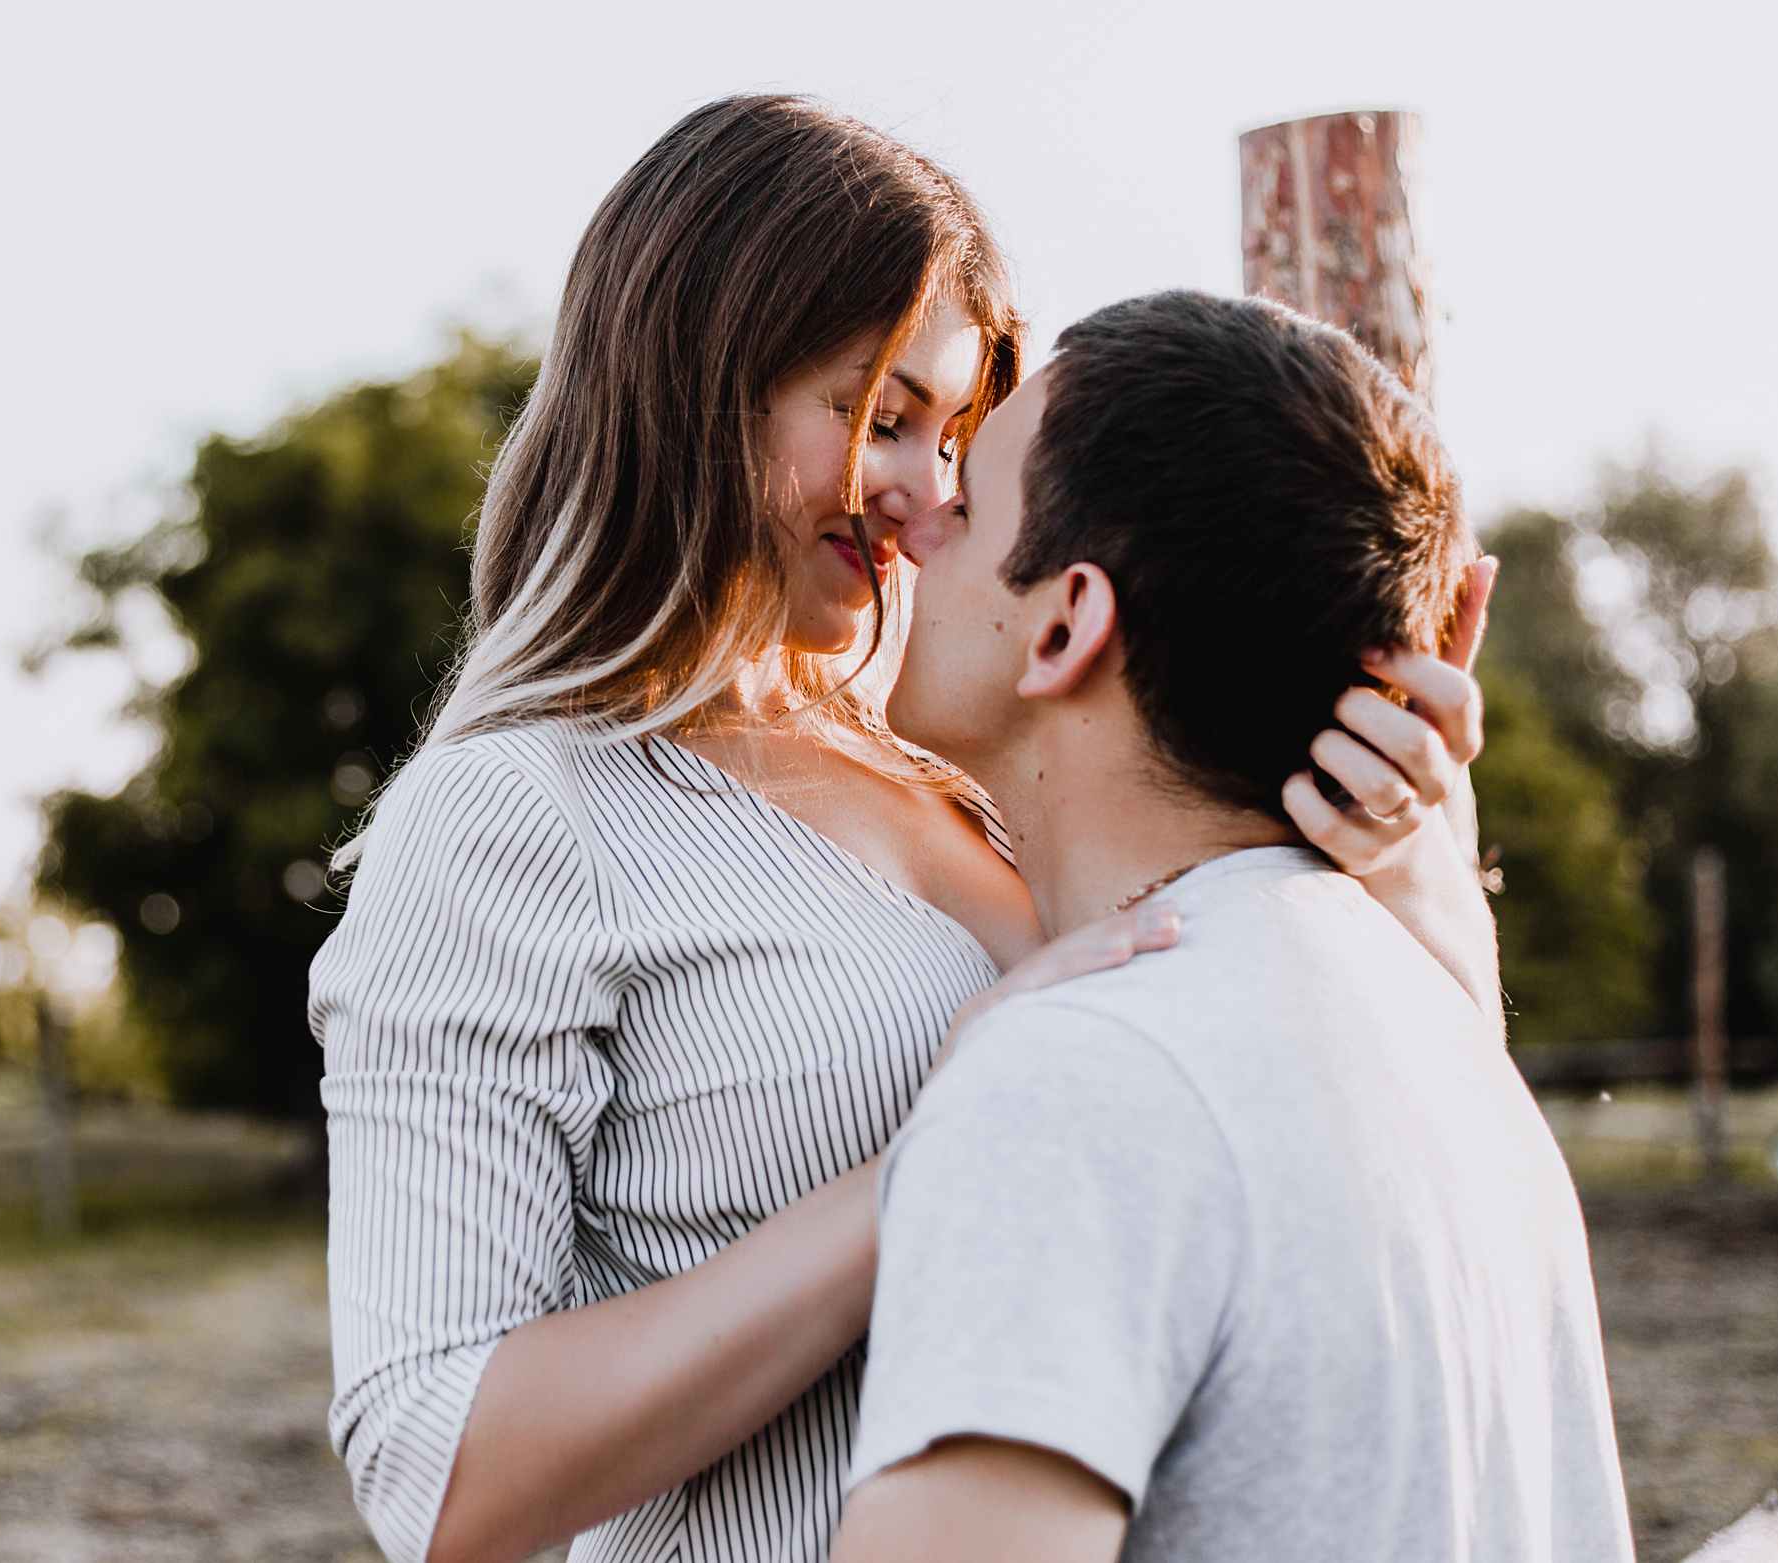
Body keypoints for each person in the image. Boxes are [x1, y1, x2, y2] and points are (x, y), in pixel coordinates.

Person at [310, 96, 1500, 1563]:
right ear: (699, 379)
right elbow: (435, 1464)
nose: (928, 495)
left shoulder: (979, 760)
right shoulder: (516, 817)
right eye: (880, 416)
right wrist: (933, 1155)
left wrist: (1410, 856)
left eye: (957, 436)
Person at [831, 291, 1631, 1563]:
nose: (911, 518)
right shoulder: (1452, 1056)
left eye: (969, 503)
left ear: (1066, 623)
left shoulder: (1077, 1081)